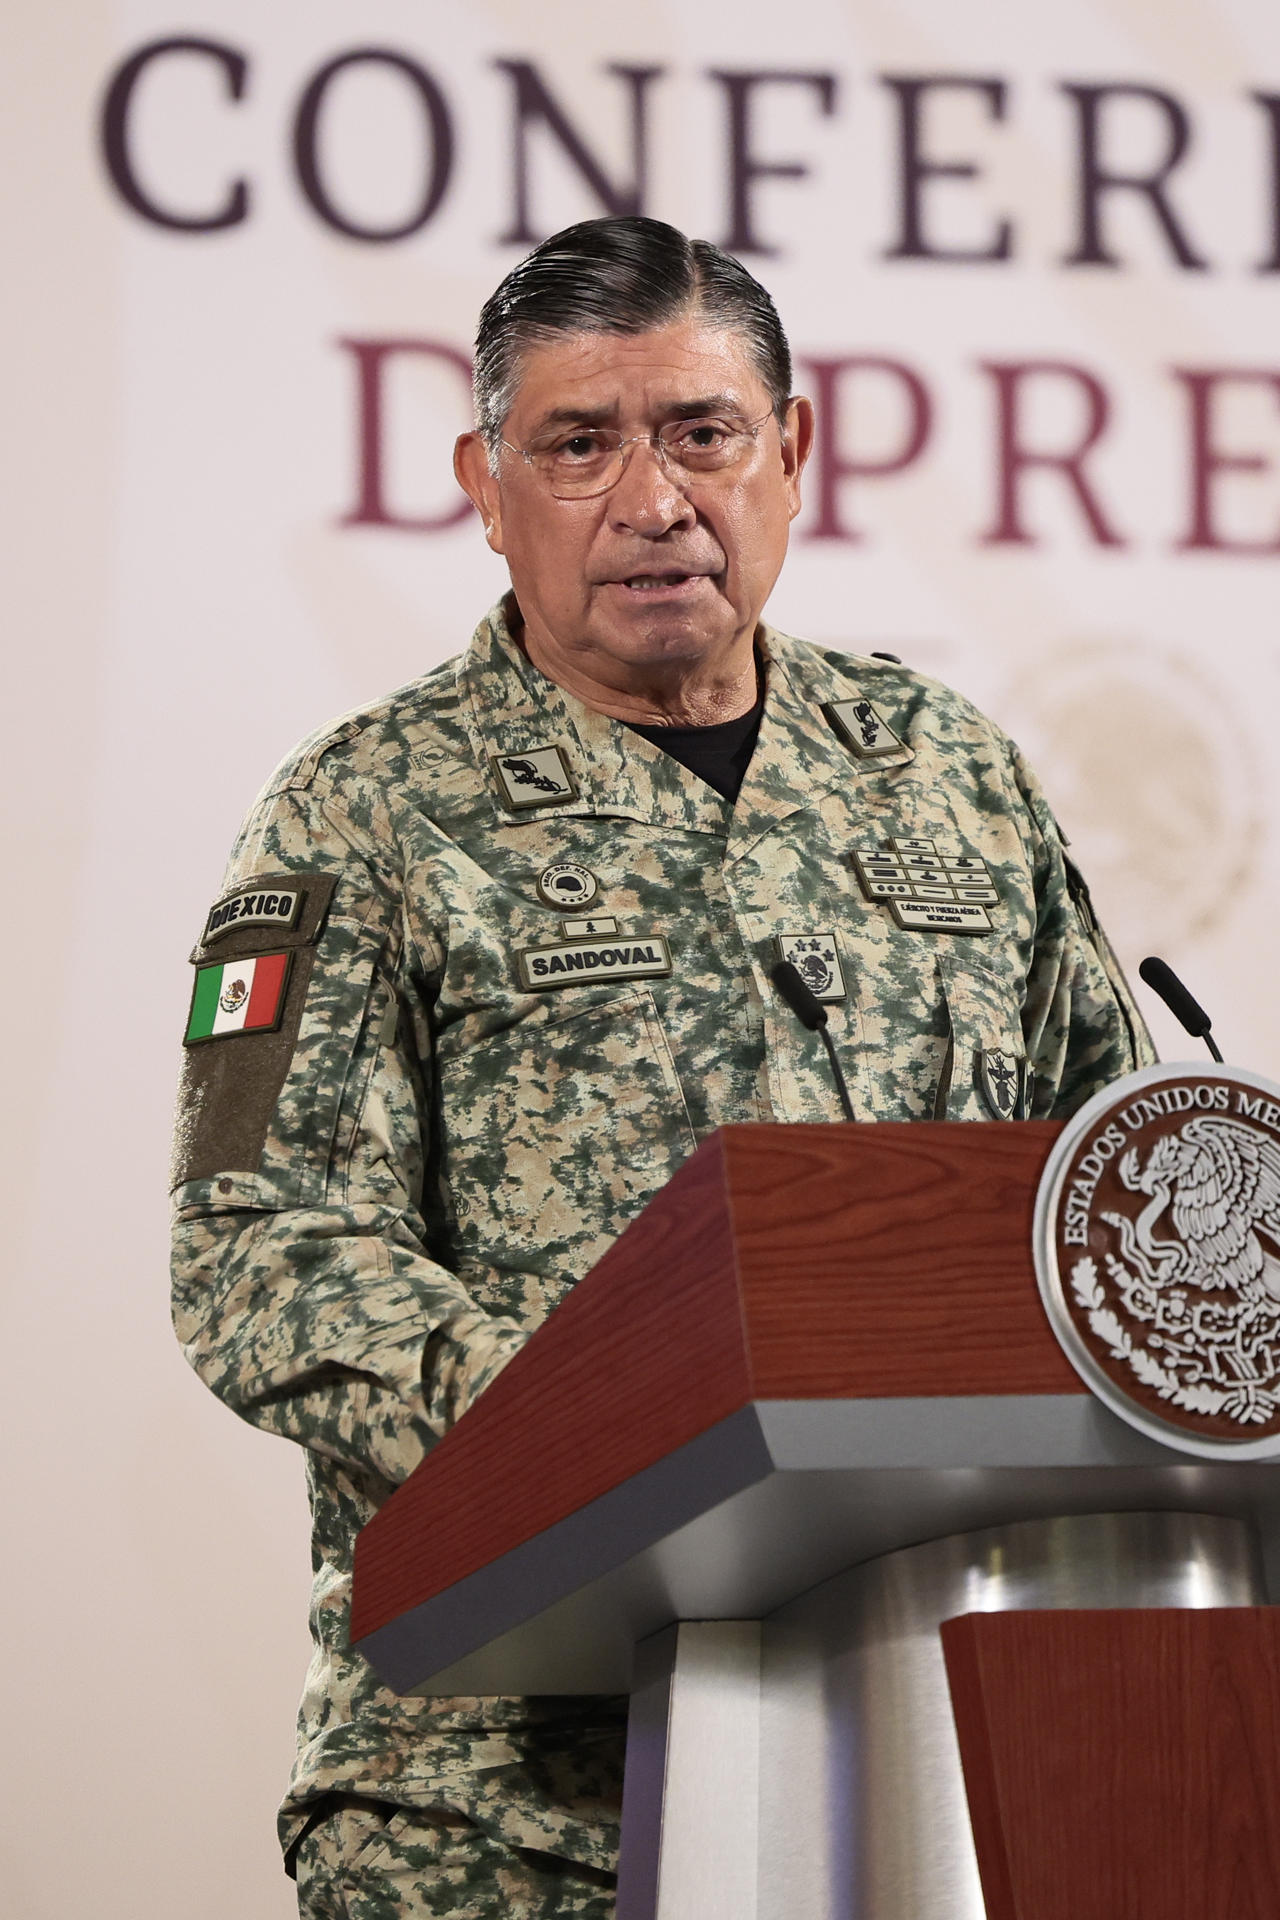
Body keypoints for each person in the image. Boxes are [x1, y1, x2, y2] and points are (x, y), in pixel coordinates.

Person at [170, 215, 1153, 1918]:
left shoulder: (948, 774)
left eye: (702, 431)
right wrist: (625, 1425)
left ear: (793, 450)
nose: (652, 497)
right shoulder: (361, 814)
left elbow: (1097, 1209)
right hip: (505, 1798)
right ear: (485, 484)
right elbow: (258, 1259)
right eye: (578, 444)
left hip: (935, 1751)